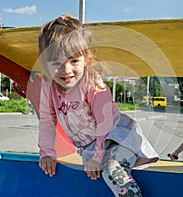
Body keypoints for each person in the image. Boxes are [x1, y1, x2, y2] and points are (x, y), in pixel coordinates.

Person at [37, 14, 159, 196]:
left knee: (113, 170)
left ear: (85, 58)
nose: (66, 70)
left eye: (74, 61)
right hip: (92, 146)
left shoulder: (93, 83)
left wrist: (97, 157)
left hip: (117, 136)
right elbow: (47, 120)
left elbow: (104, 122)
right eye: (56, 63)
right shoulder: (48, 87)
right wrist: (46, 153)